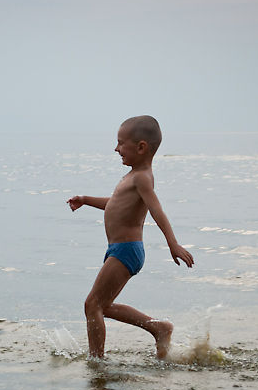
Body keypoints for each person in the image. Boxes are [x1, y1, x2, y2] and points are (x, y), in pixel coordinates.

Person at [67, 115, 194, 359]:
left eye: (120, 143)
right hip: (119, 249)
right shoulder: (132, 176)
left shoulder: (142, 178)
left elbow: (157, 211)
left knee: (91, 304)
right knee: (101, 306)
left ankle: (97, 361)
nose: (116, 149)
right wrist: (85, 200)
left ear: (141, 147)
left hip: (127, 250)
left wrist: (172, 243)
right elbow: (114, 205)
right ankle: (158, 327)